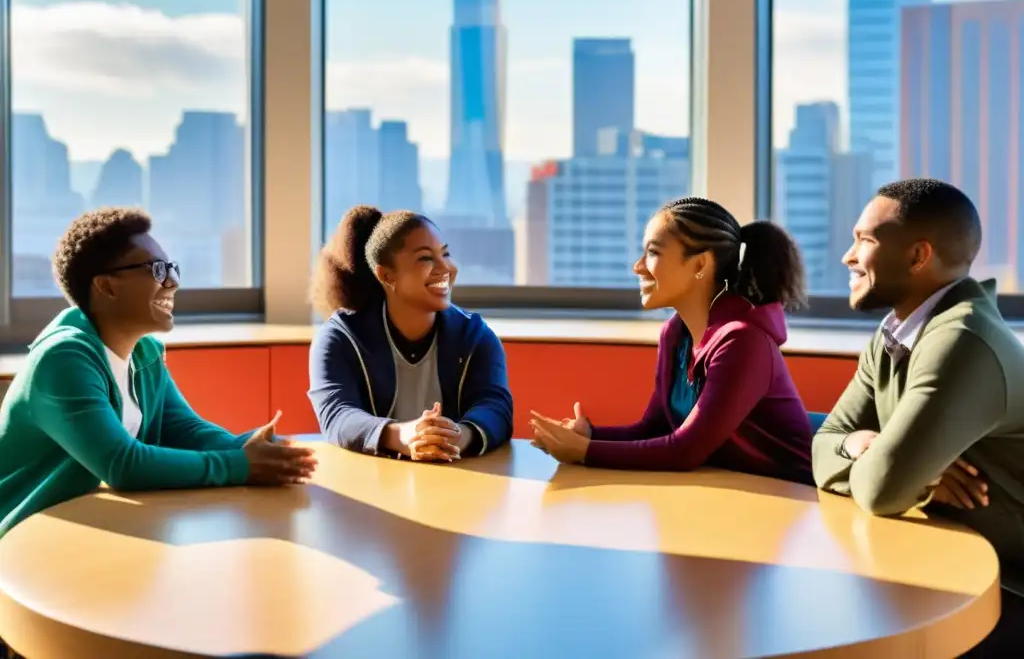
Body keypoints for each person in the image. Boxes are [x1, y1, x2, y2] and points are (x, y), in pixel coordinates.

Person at [0, 208, 318, 541]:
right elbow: (123, 465)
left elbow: (183, 429)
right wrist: (242, 465)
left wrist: (252, 448)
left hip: (87, 530)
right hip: (20, 542)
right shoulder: (63, 358)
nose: (173, 281)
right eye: (156, 269)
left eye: (171, 268)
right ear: (106, 286)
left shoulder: (144, 352)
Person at [811, 178, 1024, 657]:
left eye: (864, 240)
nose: (848, 256)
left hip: (1006, 593)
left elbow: (883, 490)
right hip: (945, 569)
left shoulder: (962, 340)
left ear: (917, 256)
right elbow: (824, 444)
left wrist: (905, 475)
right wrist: (865, 446)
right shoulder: (895, 333)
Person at [529, 197, 814, 484]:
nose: (638, 267)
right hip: (726, 492)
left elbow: (685, 451)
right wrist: (590, 435)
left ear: (700, 264)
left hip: (793, 500)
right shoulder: (675, 335)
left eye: (652, 253)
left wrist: (585, 452)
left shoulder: (743, 343)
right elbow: (655, 429)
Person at [307, 205, 513, 461]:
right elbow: (337, 415)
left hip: (457, 486)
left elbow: (496, 407)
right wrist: (403, 436)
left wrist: (455, 436)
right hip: (371, 489)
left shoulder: (476, 336)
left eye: (445, 254)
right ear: (386, 275)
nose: (446, 268)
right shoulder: (340, 338)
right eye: (426, 258)